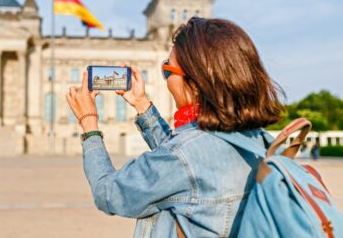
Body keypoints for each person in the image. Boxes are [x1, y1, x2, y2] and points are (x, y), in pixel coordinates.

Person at [66, 17, 284, 237]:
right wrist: (142, 104)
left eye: (167, 71)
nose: (166, 80)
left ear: (196, 83)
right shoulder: (261, 142)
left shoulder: (182, 157)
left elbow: (108, 193)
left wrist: (88, 122)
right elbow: (187, 164)